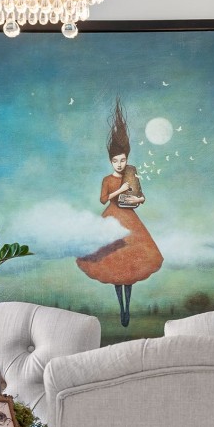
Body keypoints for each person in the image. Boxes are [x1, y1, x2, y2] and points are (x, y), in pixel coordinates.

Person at [76, 100, 163, 327]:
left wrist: (137, 198)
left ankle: (127, 309)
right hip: (112, 219)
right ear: (110, 161)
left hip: (130, 219)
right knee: (114, 265)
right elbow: (103, 199)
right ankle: (121, 307)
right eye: (115, 161)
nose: (119, 164)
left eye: (123, 160)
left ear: (127, 159)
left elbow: (140, 196)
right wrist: (120, 189)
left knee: (130, 267)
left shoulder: (131, 175)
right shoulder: (108, 179)